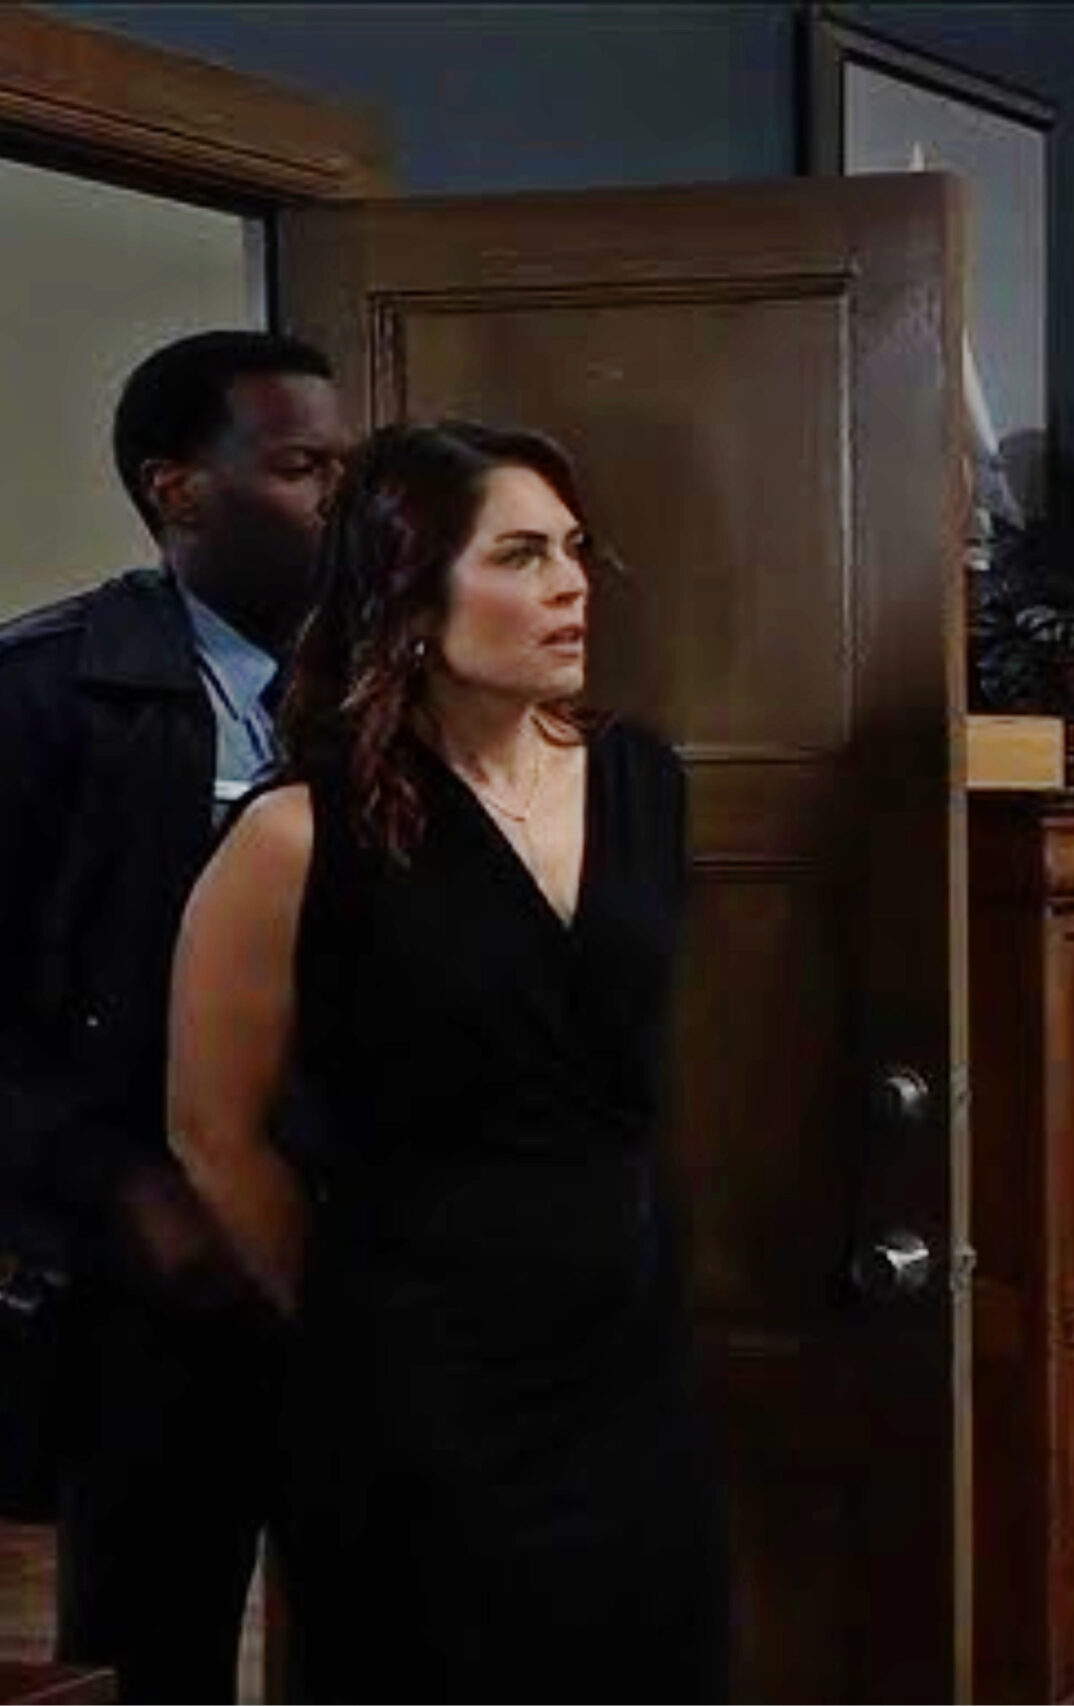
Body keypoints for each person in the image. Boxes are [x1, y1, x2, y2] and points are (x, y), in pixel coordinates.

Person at [165, 420, 731, 1701]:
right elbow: (212, 1132)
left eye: (574, 549)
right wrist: (364, 1316)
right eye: (521, 555)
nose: (571, 584)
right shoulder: (297, 834)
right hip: (415, 1395)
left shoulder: (641, 780)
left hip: (629, 1378)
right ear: (411, 596)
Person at [0, 329, 346, 1700]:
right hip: (154, 1277)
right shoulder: (43, 694)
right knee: (156, 1635)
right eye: (303, 467)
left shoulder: (389, 684)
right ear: (179, 489)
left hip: (357, 1249)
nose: (340, 498)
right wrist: (111, 1188)